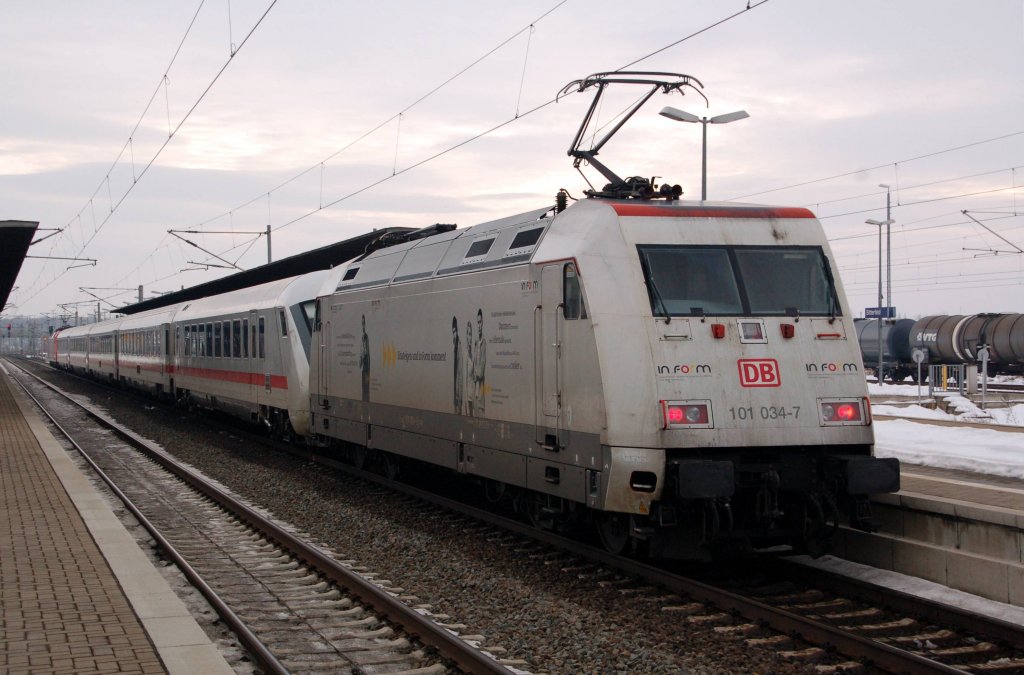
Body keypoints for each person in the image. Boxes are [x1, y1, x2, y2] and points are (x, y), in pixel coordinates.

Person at [472, 308, 486, 416]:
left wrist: (475, 371)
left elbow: (480, 372)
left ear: (483, 323)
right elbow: (473, 366)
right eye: (477, 322)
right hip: (474, 390)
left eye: (480, 322)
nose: (479, 325)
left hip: (481, 390)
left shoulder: (483, 343)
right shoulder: (476, 343)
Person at [452, 316, 463, 414]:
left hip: (457, 400)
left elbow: (460, 377)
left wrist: (459, 402)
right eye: (452, 332)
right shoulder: (454, 348)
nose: (454, 335)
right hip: (455, 400)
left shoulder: (459, 348)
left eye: (455, 331)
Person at [359, 314, 370, 401]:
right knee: (364, 387)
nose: (363, 325)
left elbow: (365, 352)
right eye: (362, 323)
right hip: (364, 368)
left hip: (366, 367)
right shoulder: (363, 336)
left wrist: (362, 359)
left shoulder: (365, 336)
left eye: (363, 323)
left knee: (366, 387)